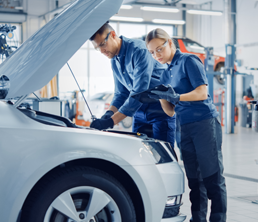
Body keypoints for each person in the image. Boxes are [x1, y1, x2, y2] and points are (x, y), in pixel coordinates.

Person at [145, 28, 227, 222]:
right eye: (152, 52)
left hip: (204, 123)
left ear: (170, 43)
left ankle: (218, 218)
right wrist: (160, 97)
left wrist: (176, 96)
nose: (156, 55)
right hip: (184, 127)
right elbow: (170, 111)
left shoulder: (189, 61)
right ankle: (197, 218)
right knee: (194, 179)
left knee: (212, 177)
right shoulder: (165, 75)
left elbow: (201, 93)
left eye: (159, 49)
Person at [89, 22, 175, 147]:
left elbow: (139, 92)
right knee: (140, 154)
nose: (102, 51)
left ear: (113, 35)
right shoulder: (114, 60)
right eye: (98, 48)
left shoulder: (139, 50)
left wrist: (110, 122)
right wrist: (108, 114)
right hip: (139, 113)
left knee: (164, 155)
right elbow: (121, 93)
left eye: (103, 44)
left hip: (160, 111)